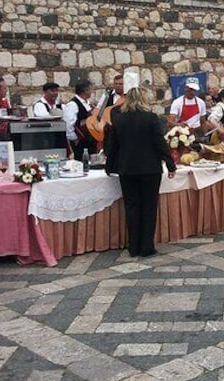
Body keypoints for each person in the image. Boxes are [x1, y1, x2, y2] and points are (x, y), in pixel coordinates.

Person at [105, 73, 176, 258]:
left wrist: (109, 166)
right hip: (149, 169)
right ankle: (146, 246)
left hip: (127, 168)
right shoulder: (150, 118)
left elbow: (112, 146)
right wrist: (170, 164)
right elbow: (159, 143)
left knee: (131, 207)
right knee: (149, 206)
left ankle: (133, 246)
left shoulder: (118, 119)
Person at [63, 79, 97, 161]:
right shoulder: (73, 104)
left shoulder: (87, 103)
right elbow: (69, 124)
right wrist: (75, 139)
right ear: (85, 90)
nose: (92, 91)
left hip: (89, 140)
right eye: (90, 89)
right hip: (80, 142)